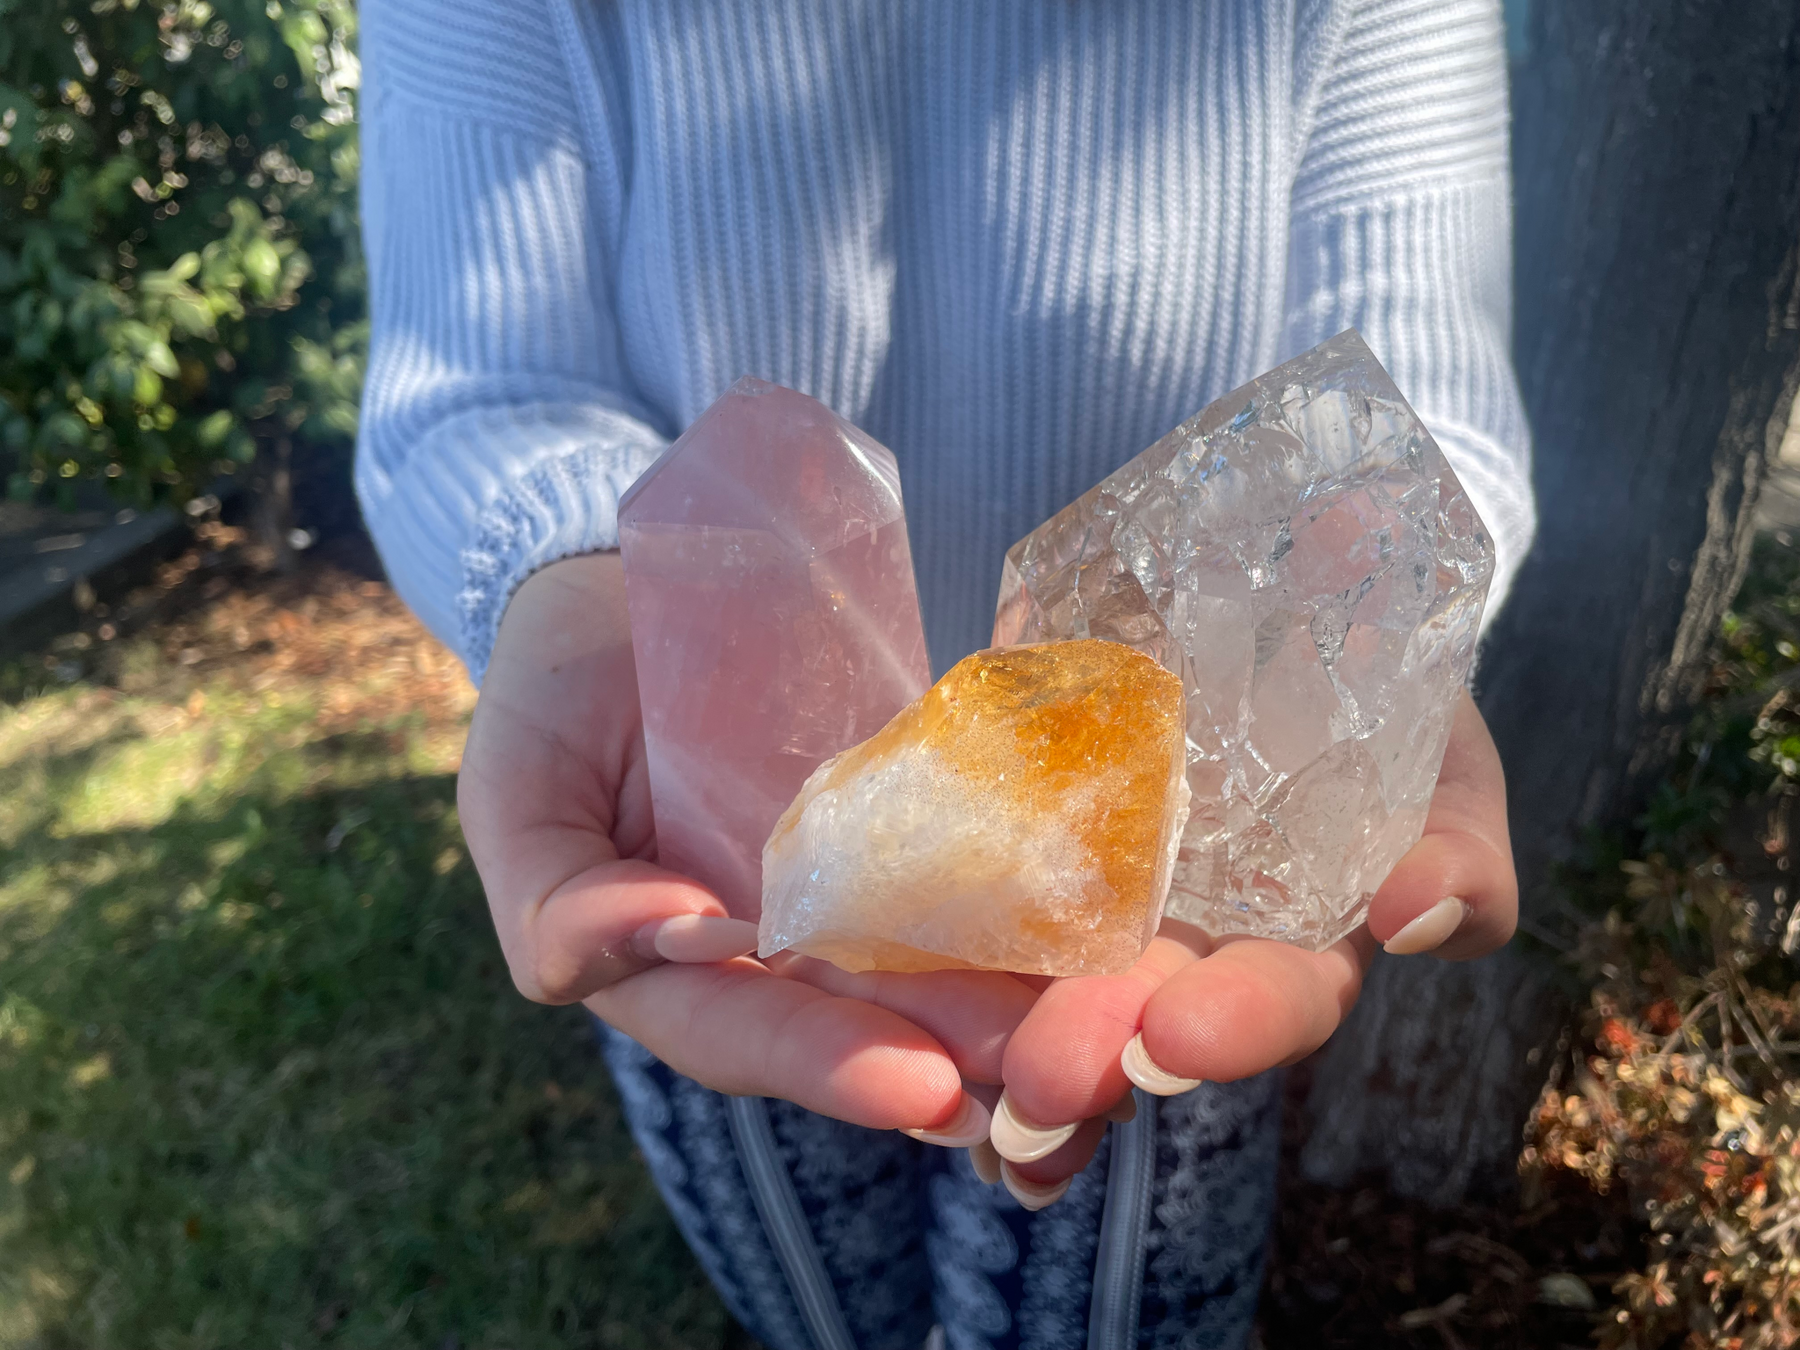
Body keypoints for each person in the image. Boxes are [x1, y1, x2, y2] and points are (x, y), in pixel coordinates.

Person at [354, 1, 1530, 1345]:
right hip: (715, 849)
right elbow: (477, 380)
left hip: (1163, 889)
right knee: (822, 1300)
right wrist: (575, 566)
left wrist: (1365, 645)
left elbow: (1406, 410)